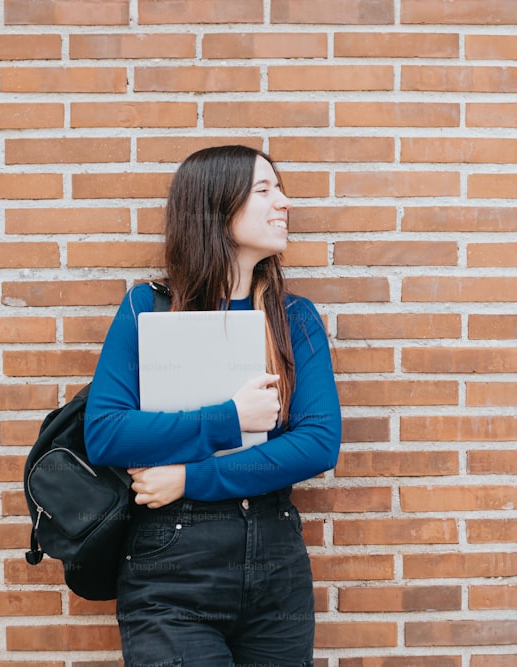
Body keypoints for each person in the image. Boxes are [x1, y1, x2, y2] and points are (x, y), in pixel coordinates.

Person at [84, 144, 341, 667]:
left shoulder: (295, 319)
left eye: (281, 189)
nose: (285, 203)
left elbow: (317, 444)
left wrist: (188, 478)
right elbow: (107, 433)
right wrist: (229, 419)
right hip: (171, 570)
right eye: (265, 190)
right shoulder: (147, 307)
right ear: (216, 209)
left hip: (276, 569)